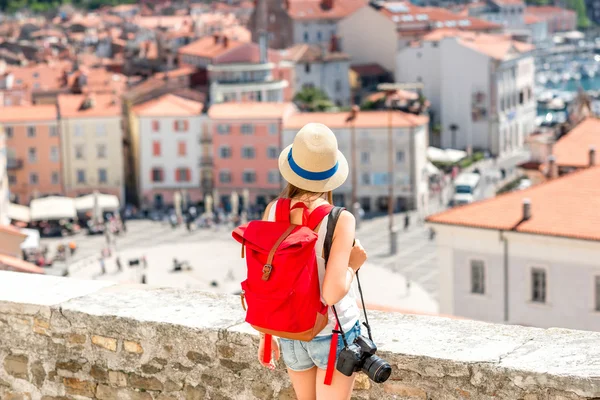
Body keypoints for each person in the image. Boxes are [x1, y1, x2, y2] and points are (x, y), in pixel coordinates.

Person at [257, 123, 368, 399]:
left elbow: (267, 279)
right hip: (331, 334)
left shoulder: (272, 210)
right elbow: (330, 293)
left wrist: (266, 335)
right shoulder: (339, 219)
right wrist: (353, 265)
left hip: (290, 330)